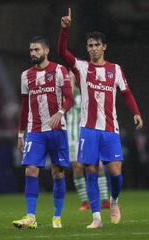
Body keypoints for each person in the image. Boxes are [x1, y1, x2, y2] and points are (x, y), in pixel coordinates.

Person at [58, 8, 143, 228]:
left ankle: (114, 201)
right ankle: (96, 217)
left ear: (104, 47)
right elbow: (62, 51)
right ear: (87, 49)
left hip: (109, 129)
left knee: (115, 172)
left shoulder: (115, 69)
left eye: (97, 45)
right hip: (88, 129)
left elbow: (126, 93)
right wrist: (64, 29)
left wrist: (136, 112)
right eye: (90, 45)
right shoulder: (82, 68)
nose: (94, 48)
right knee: (91, 171)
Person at [12, 36, 73, 229]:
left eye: (37, 50)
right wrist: (21, 133)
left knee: (57, 173)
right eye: (31, 50)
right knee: (30, 169)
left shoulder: (59, 70)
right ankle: (31, 216)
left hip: (57, 130)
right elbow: (24, 107)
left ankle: (57, 216)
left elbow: (70, 98)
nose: (33, 53)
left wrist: (61, 112)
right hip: (35, 132)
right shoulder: (25, 75)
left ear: (46, 51)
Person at [66, 71, 110, 211]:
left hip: (89, 134)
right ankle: (85, 201)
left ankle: (104, 200)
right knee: (78, 168)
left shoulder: (91, 91)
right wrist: (71, 79)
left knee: (99, 166)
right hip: (72, 136)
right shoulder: (68, 94)